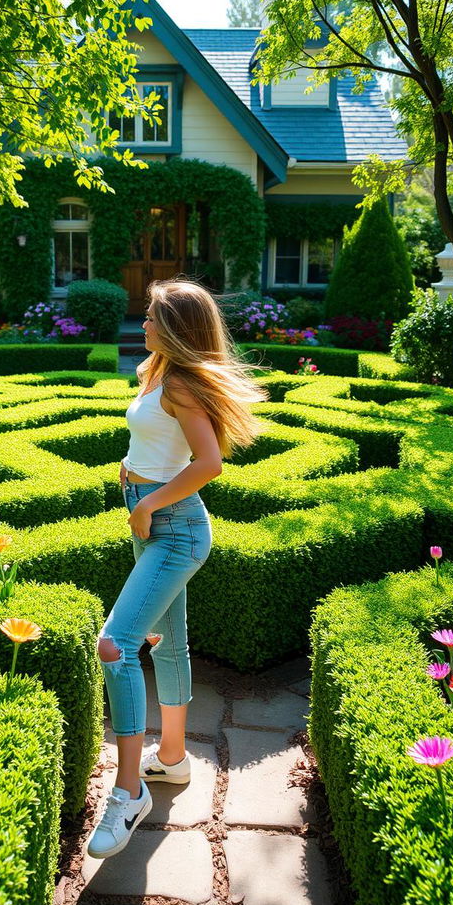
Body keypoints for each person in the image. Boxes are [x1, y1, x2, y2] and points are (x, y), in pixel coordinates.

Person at [87, 277, 267, 859]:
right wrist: (132, 467)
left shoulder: (184, 383)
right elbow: (158, 443)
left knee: (115, 644)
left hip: (176, 528)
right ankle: (171, 760)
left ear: (175, 328)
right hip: (155, 517)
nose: (141, 322)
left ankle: (129, 788)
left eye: (151, 316)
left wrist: (146, 502)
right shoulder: (157, 372)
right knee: (168, 644)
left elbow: (209, 463)